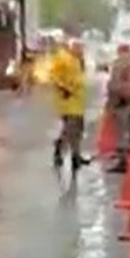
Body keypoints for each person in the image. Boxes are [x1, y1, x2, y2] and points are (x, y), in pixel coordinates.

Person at [50, 40, 87, 171]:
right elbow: (53, 76)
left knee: (77, 130)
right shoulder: (62, 59)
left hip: (78, 101)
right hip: (68, 101)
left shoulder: (77, 60)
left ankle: (75, 155)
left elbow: (79, 78)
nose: (81, 50)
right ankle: (60, 151)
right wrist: (64, 88)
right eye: (79, 47)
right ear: (72, 47)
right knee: (70, 129)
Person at [105, 43, 130, 173]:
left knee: (122, 131)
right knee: (129, 130)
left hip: (121, 100)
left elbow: (115, 83)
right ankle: (126, 157)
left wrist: (111, 101)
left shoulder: (119, 63)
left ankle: (123, 161)